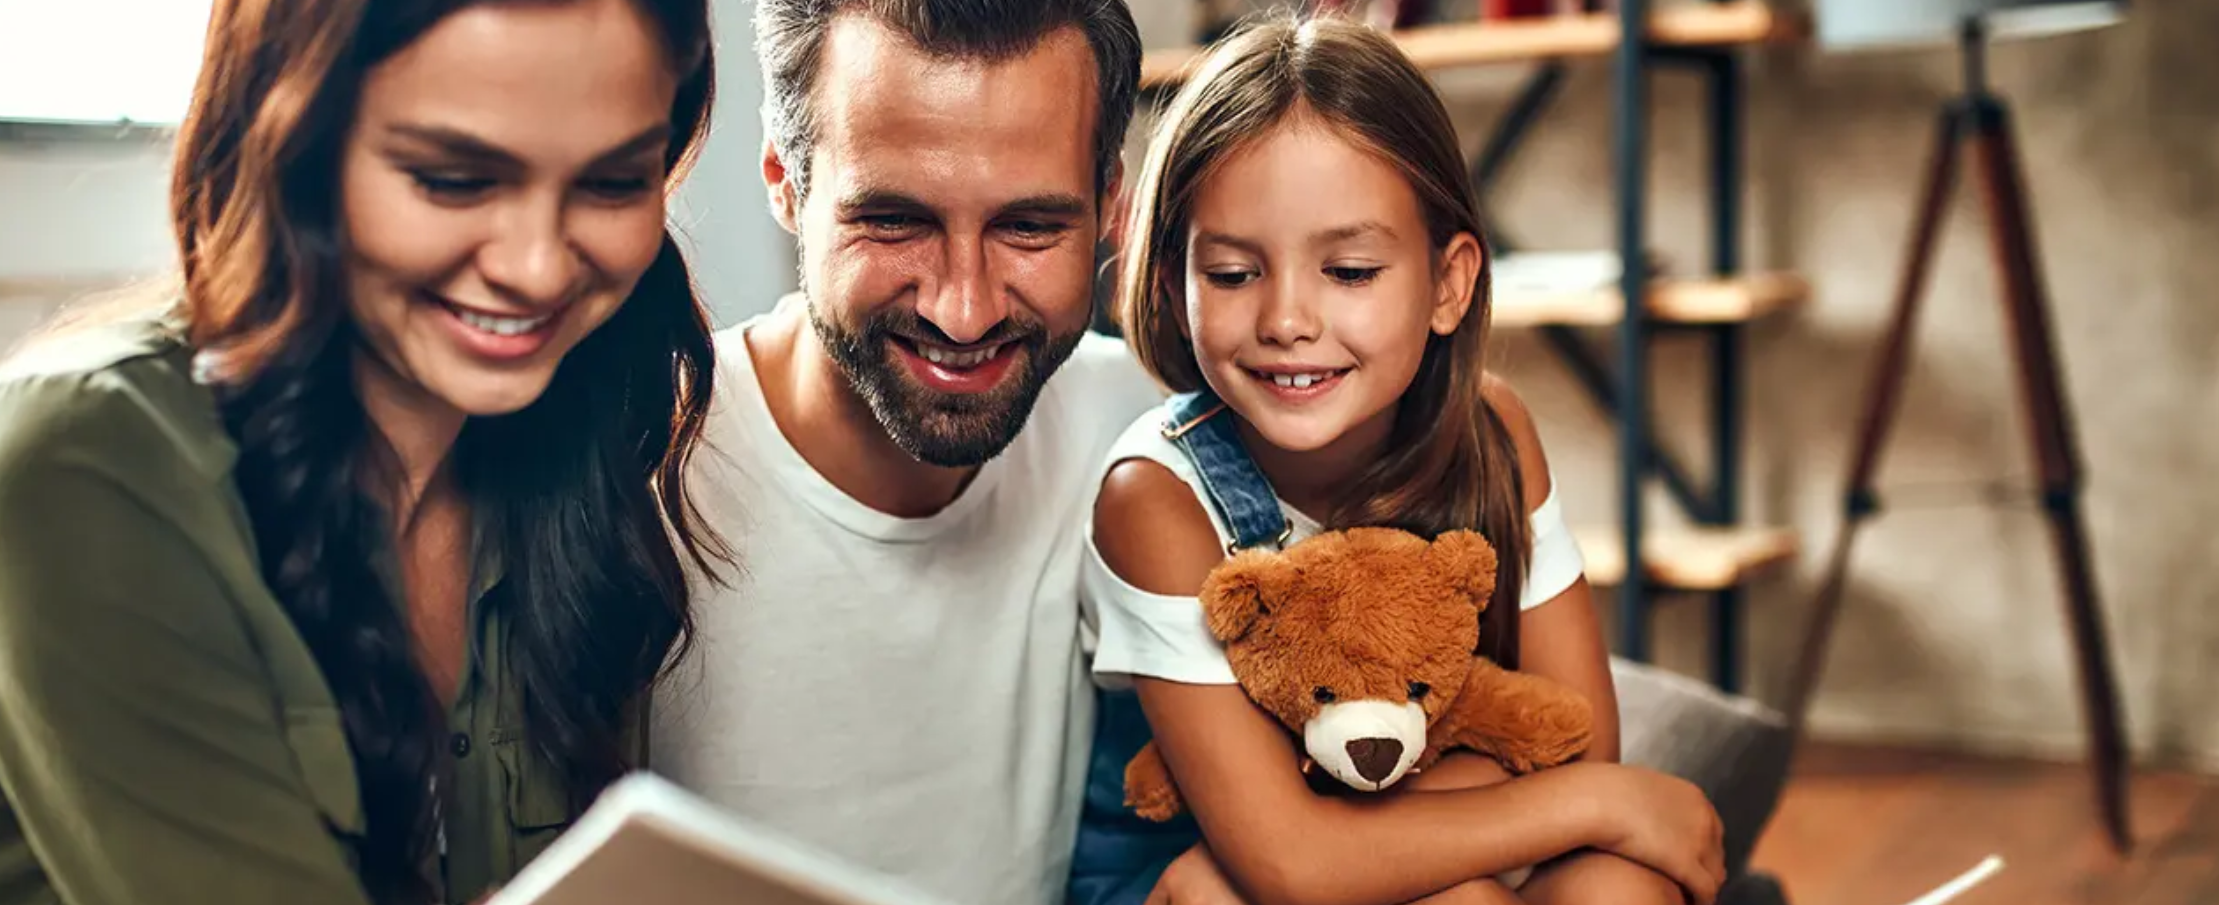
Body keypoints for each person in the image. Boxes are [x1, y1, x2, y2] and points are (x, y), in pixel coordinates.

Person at [0, 1, 720, 902]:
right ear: (293, 142)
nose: (539, 265)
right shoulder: (75, 466)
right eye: (453, 179)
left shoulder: (564, 460)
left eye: (610, 182)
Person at [1070, 13, 1727, 905]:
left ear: (1448, 283)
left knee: (1617, 882)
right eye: (1231, 274)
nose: (1287, 320)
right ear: (1170, 287)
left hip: (1407, 834)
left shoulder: (1494, 430)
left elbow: (1571, 738)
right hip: (1203, 874)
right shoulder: (1158, 496)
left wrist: (1582, 800)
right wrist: (1595, 800)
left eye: (1349, 271)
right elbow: (1288, 860)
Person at [639, 1, 1155, 903]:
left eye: (1029, 227)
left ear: (1110, 204)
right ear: (784, 182)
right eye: (894, 221)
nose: (965, 310)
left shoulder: (1147, 440)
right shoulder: (642, 471)